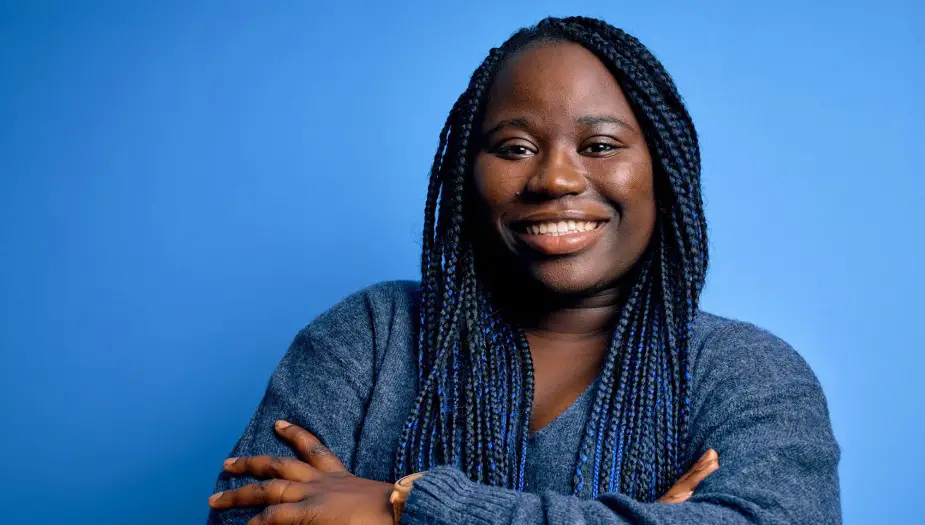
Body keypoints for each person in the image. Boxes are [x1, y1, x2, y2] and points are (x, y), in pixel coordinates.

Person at [205, 16, 841, 525]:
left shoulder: (746, 374)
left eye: (600, 146)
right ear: (466, 175)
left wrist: (403, 506)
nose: (556, 178)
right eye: (515, 148)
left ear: (663, 174)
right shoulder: (371, 338)